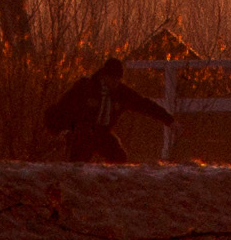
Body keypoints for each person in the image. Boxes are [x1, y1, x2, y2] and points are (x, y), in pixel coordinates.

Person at [44, 53, 177, 165]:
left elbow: (144, 105)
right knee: (81, 152)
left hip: (102, 133)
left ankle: (111, 182)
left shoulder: (121, 93)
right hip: (82, 131)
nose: (115, 83)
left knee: (119, 157)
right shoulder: (86, 88)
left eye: (117, 80)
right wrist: (58, 130)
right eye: (112, 79)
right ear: (104, 76)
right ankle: (76, 174)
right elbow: (63, 107)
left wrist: (169, 121)